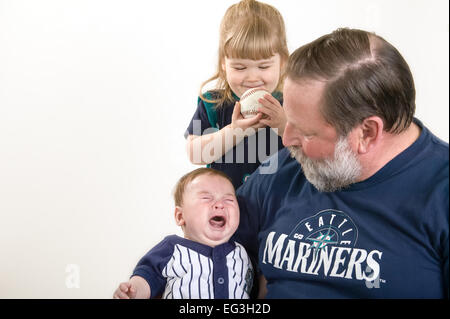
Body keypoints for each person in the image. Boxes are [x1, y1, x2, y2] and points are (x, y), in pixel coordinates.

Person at [232, 28, 449, 298]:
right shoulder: (282, 172)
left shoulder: (440, 192)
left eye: (307, 133)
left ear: (367, 133)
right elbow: (201, 261)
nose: (286, 140)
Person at [185, 0, 289, 189]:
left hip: (278, 206)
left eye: (264, 66)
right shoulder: (213, 103)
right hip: (228, 206)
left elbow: (312, 151)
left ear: (282, 62)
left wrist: (284, 126)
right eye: (240, 67)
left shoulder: (291, 103)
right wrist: (235, 132)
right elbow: (195, 154)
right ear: (224, 64)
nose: (252, 77)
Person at [113, 168, 253, 299]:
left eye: (229, 200)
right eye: (206, 198)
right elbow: (148, 274)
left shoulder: (242, 253)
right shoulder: (172, 248)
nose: (220, 204)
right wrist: (135, 290)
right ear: (180, 216)